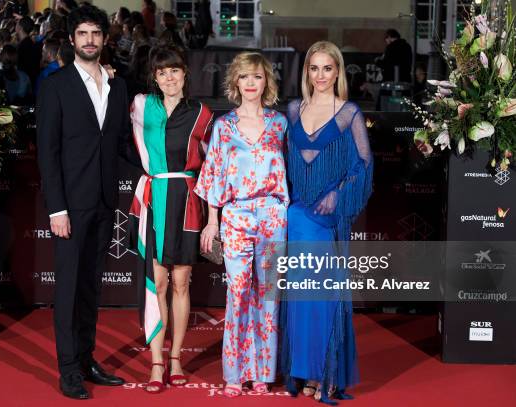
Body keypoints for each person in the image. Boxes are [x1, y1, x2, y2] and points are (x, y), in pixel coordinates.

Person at [36, 5, 130, 399]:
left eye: (96, 33)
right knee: (70, 288)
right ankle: (69, 369)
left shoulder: (118, 86)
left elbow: (123, 142)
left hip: (105, 202)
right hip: (70, 207)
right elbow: (47, 151)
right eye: (83, 34)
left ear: (105, 39)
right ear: (72, 39)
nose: (90, 40)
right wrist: (56, 208)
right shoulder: (55, 85)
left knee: (91, 286)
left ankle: (88, 358)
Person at [280, 41, 373, 404]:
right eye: (314, 68)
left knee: (324, 298)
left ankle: (325, 372)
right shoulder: (291, 110)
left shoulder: (349, 113)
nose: (320, 76)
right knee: (301, 300)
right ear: (307, 73)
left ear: (338, 71)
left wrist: (338, 195)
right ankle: (301, 370)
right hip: (298, 216)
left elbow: (364, 165)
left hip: (329, 220)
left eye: (327, 68)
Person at [194, 52, 289, 397]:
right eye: (245, 77)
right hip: (235, 216)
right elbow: (213, 175)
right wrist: (211, 222)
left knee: (267, 295)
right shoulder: (224, 126)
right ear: (236, 82)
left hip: (273, 216)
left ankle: (262, 371)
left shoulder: (280, 124)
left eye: (258, 77)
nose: (251, 83)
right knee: (237, 294)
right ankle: (234, 373)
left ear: (267, 82)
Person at [128, 45, 213, 394]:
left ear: (185, 74)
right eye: (162, 72)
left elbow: (211, 165)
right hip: (154, 199)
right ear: (155, 77)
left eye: (174, 70)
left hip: (187, 201)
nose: (169, 77)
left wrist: (213, 216)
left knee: (181, 283)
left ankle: (176, 358)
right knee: (158, 284)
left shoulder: (202, 114)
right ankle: (157, 362)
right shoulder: (140, 106)